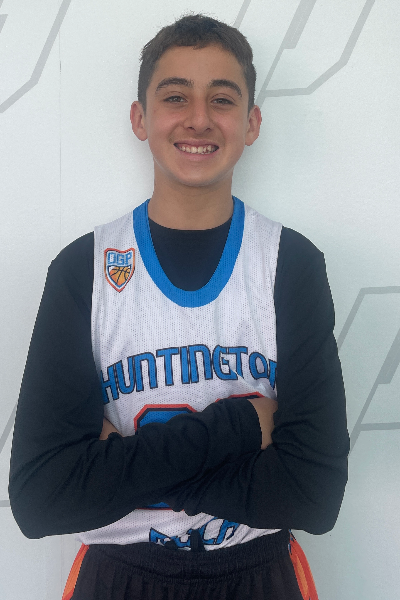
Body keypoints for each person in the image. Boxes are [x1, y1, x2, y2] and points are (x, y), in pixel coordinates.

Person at [8, 13, 350, 600]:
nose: (198, 118)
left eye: (222, 98)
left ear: (252, 122)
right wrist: (243, 427)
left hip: (258, 574)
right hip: (119, 578)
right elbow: (43, 497)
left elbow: (314, 494)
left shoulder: (290, 264)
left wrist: (119, 469)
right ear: (139, 118)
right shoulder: (83, 269)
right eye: (175, 96)